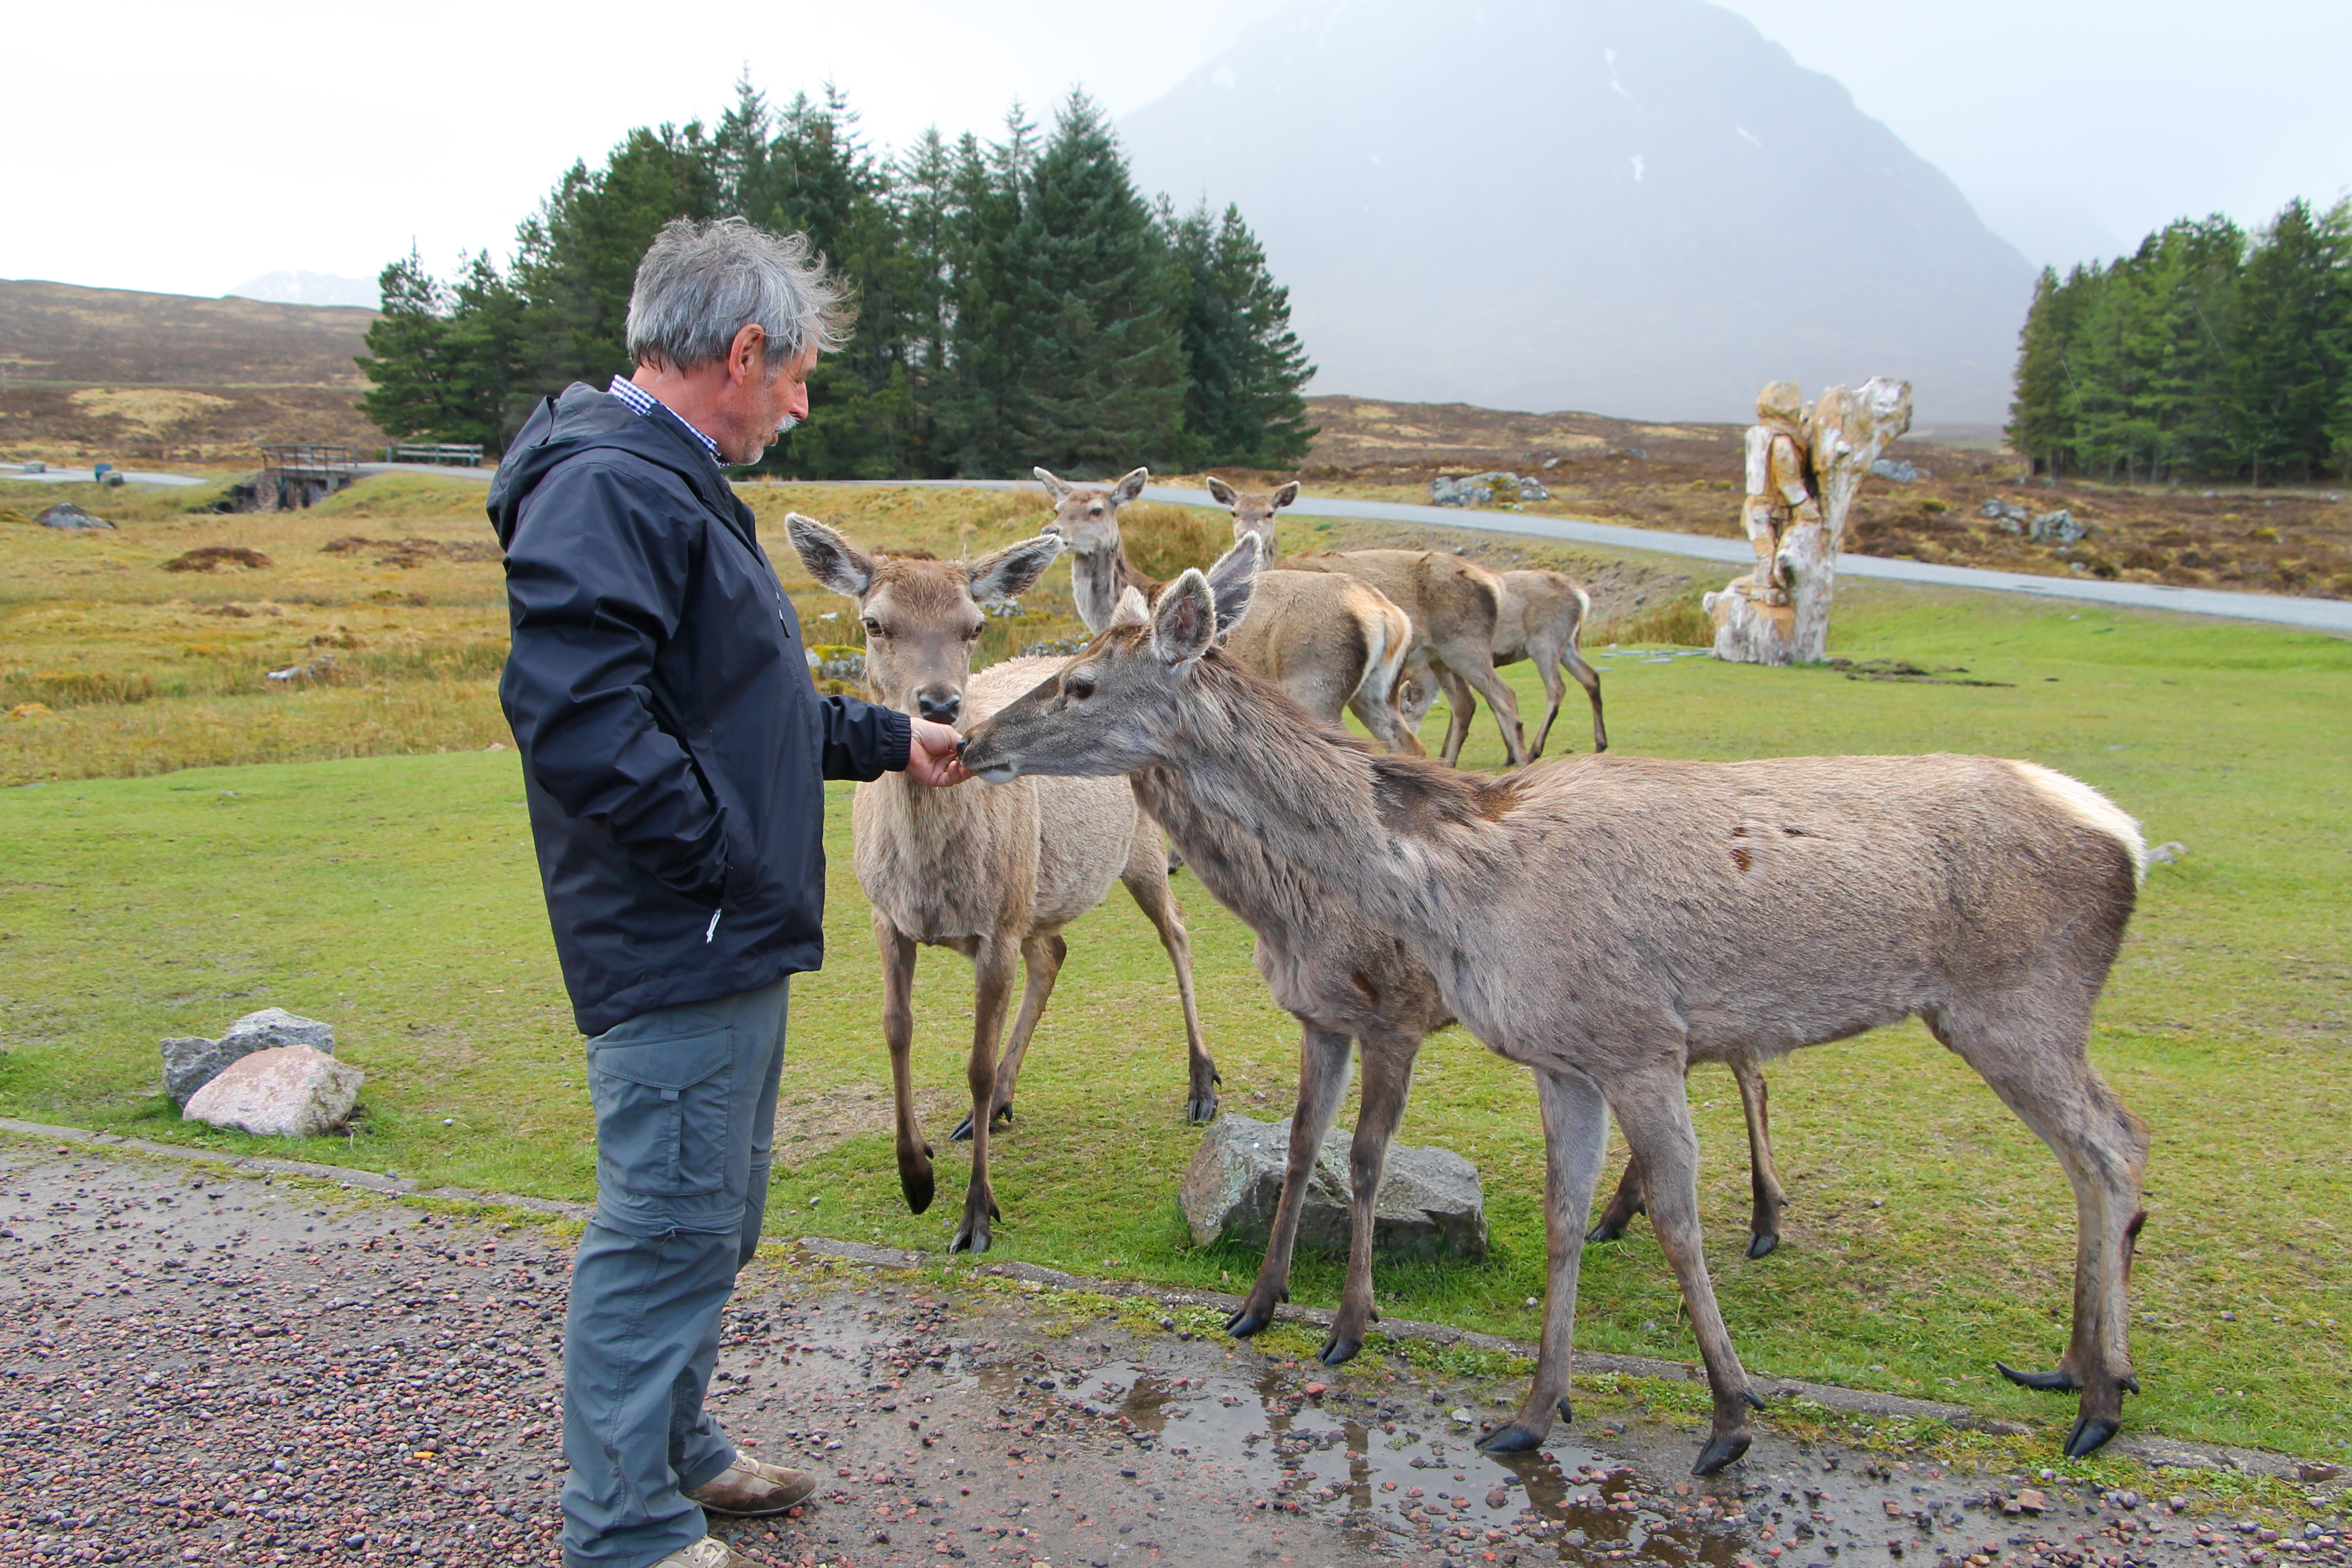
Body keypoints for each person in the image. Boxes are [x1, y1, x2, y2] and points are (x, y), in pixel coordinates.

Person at [487, 216, 972, 1568]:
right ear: (742, 350)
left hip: (720, 928)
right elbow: (580, 724)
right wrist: (722, 857)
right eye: (801, 375)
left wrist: (888, 738)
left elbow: (733, 711)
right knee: (665, 1220)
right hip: (681, 935)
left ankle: (677, 1445)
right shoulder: (613, 487)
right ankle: (626, 1524)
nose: (802, 403)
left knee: (717, 1209)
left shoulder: (666, 477)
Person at [1737, 379, 1820, 607]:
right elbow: (1788, 479)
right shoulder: (1782, 441)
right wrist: (1803, 504)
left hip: (1756, 502)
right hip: (1772, 506)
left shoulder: (1757, 434)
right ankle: (1765, 588)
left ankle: (1766, 583)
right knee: (1769, 552)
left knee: (1766, 551)